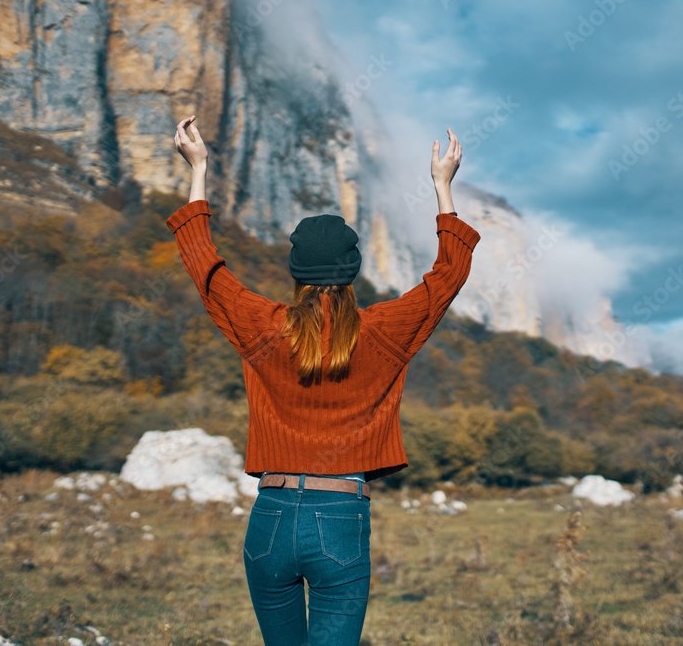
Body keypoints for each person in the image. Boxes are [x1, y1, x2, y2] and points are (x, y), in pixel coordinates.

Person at [167, 114, 480, 645]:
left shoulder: (264, 328)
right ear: (352, 270)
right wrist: (442, 185)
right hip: (340, 516)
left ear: (295, 272)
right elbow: (447, 274)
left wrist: (197, 171)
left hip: (271, 515)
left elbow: (206, 269)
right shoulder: (383, 333)